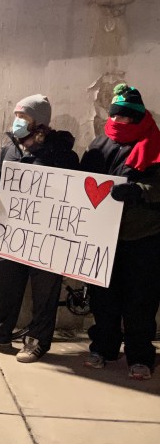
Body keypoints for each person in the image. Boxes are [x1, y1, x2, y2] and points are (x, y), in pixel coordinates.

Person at [0, 94, 80, 362]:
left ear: (39, 121)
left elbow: (74, 190)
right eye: (17, 115)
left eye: (24, 117)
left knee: (45, 291)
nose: (17, 121)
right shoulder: (10, 148)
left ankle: (37, 342)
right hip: (12, 231)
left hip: (47, 235)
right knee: (4, 284)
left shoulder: (60, 152)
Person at [80, 84, 160, 380]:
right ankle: (103, 348)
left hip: (143, 238)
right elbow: (82, 183)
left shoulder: (156, 144)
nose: (121, 123)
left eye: (128, 117)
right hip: (105, 240)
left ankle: (140, 356)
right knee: (104, 299)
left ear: (139, 117)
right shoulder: (99, 146)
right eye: (117, 116)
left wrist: (140, 191)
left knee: (141, 301)